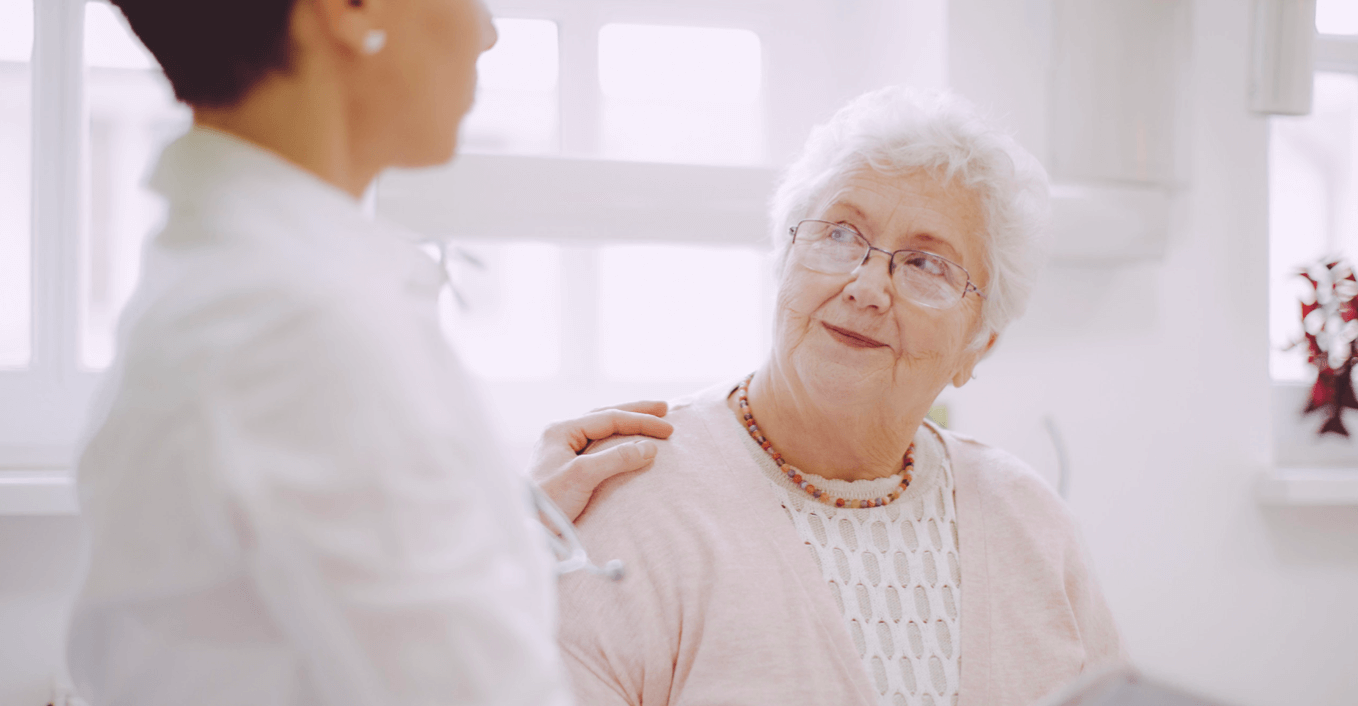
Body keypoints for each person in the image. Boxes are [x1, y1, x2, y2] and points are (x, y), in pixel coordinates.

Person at [65, 1, 670, 705]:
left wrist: (501, 527)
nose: (487, 31)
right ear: (349, 10)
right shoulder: (299, 322)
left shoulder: (251, 280)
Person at [555, 87, 1124, 706]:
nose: (867, 286)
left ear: (976, 348)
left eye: (927, 265)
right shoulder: (631, 498)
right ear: (785, 260)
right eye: (842, 234)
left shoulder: (1029, 520)